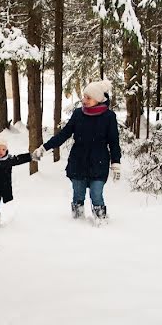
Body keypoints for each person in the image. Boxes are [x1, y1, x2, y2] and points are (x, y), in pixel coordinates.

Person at [32, 80, 121, 223]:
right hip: (78, 162)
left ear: (98, 99)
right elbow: (63, 135)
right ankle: (77, 225)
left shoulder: (109, 117)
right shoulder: (78, 114)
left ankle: (101, 222)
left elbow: (114, 142)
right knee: (78, 195)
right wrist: (44, 148)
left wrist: (116, 163)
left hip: (99, 163)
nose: (83, 100)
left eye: (88, 98)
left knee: (96, 194)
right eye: (84, 96)